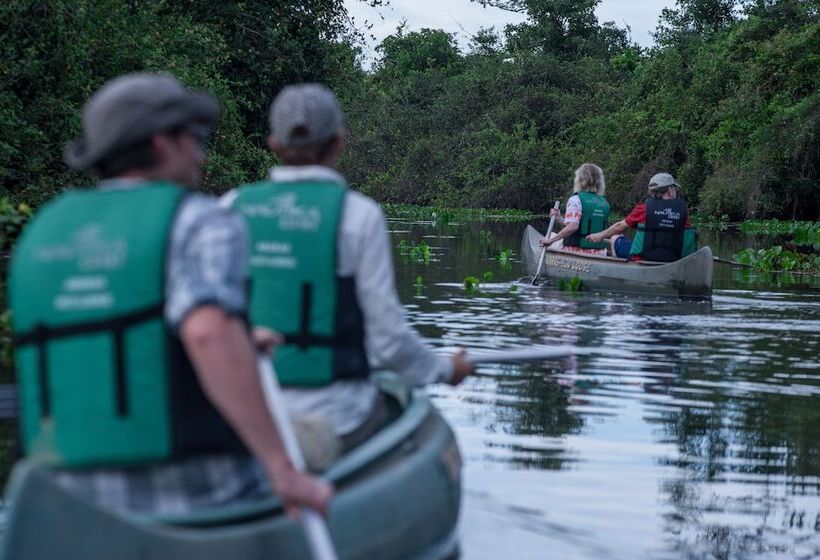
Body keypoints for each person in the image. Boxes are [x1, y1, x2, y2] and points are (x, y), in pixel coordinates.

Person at [8, 73, 331, 516]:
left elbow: (114, 336)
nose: (201, 153)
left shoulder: (43, 230)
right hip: (196, 493)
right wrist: (282, 470)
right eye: (195, 137)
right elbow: (207, 334)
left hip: (61, 500)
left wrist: (238, 343)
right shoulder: (202, 221)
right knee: (317, 443)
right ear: (162, 144)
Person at [223, 84, 474, 467]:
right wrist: (444, 369)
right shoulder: (359, 216)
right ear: (339, 143)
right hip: (338, 418)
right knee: (395, 411)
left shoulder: (230, 208)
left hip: (246, 418)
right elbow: (388, 343)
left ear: (274, 144)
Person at [586, 172, 696, 262]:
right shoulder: (683, 211)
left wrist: (599, 235)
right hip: (673, 260)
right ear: (670, 190)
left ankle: (625, 272)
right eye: (674, 188)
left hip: (643, 259)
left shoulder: (644, 209)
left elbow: (619, 226)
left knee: (615, 238)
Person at [539, 163, 610, 257]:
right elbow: (581, 226)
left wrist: (551, 241)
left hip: (576, 251)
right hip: (600, 253)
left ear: (580, 180)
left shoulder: (575, 200)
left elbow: (573, 227)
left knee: (551, 235)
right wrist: (559, 218)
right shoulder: (604, 202)